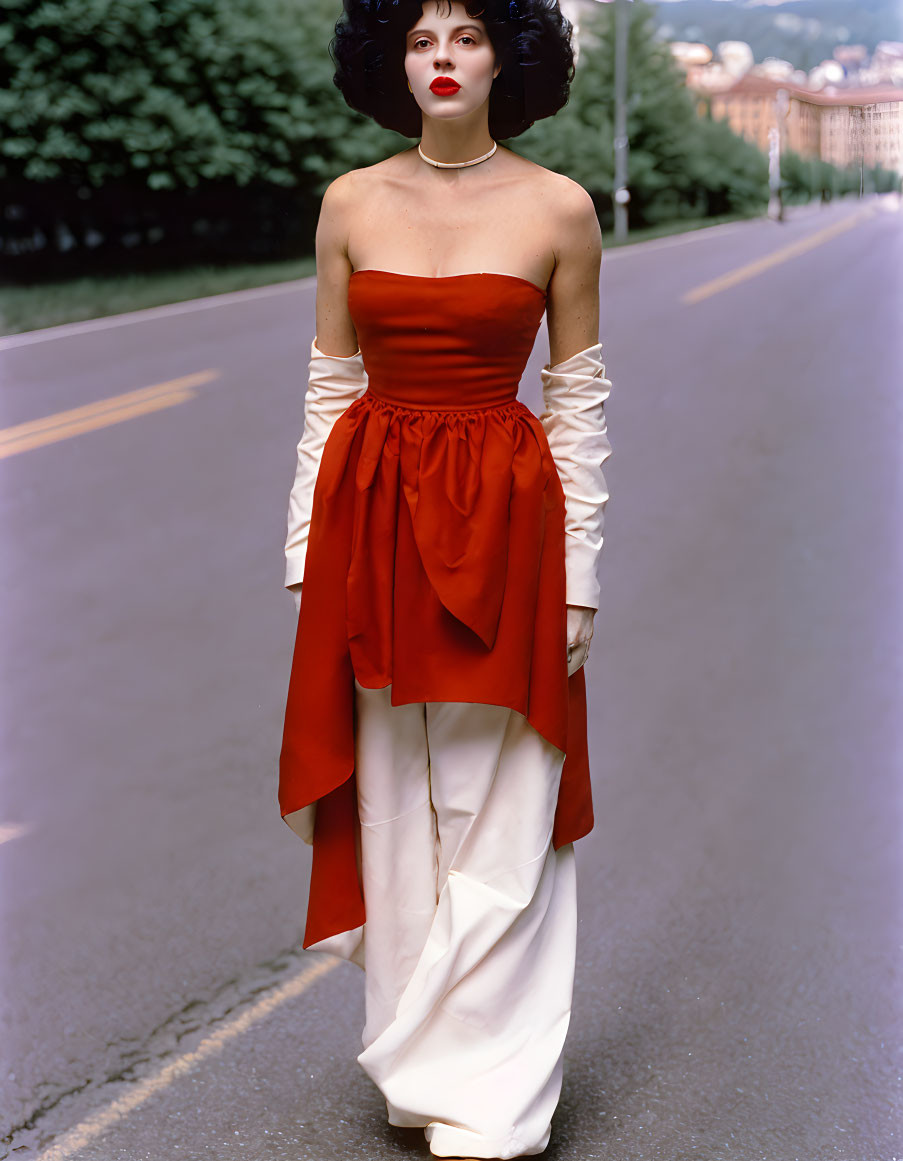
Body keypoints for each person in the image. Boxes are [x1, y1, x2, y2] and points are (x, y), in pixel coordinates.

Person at [277, 1, 613, 1157]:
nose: (442, 62)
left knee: (501, 804)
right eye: (420, 41)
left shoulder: (559, 208)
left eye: (466, 38)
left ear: (508, 55)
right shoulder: (352, 202)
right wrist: (299, 555)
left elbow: (577, 404)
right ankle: (422, 1068)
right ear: (389, 59)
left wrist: (580, 575)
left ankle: (495, 1091)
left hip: (509, 523)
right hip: (370, 518)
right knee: (392, 803)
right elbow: (328, 386)